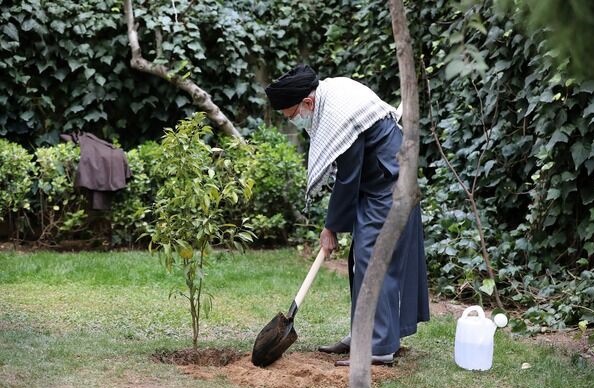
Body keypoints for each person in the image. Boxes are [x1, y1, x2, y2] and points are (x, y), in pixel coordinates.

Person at [264, 64, 430, 367]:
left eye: (292, 115)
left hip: (390, 181)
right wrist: (335, 226)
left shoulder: (339, 111)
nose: (295, 121)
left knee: (373, 257)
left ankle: (377, 347)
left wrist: (331, 228)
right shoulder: (329, 95)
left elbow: (348, 177)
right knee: (360, 260)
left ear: (307, 103)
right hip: (378, 180)